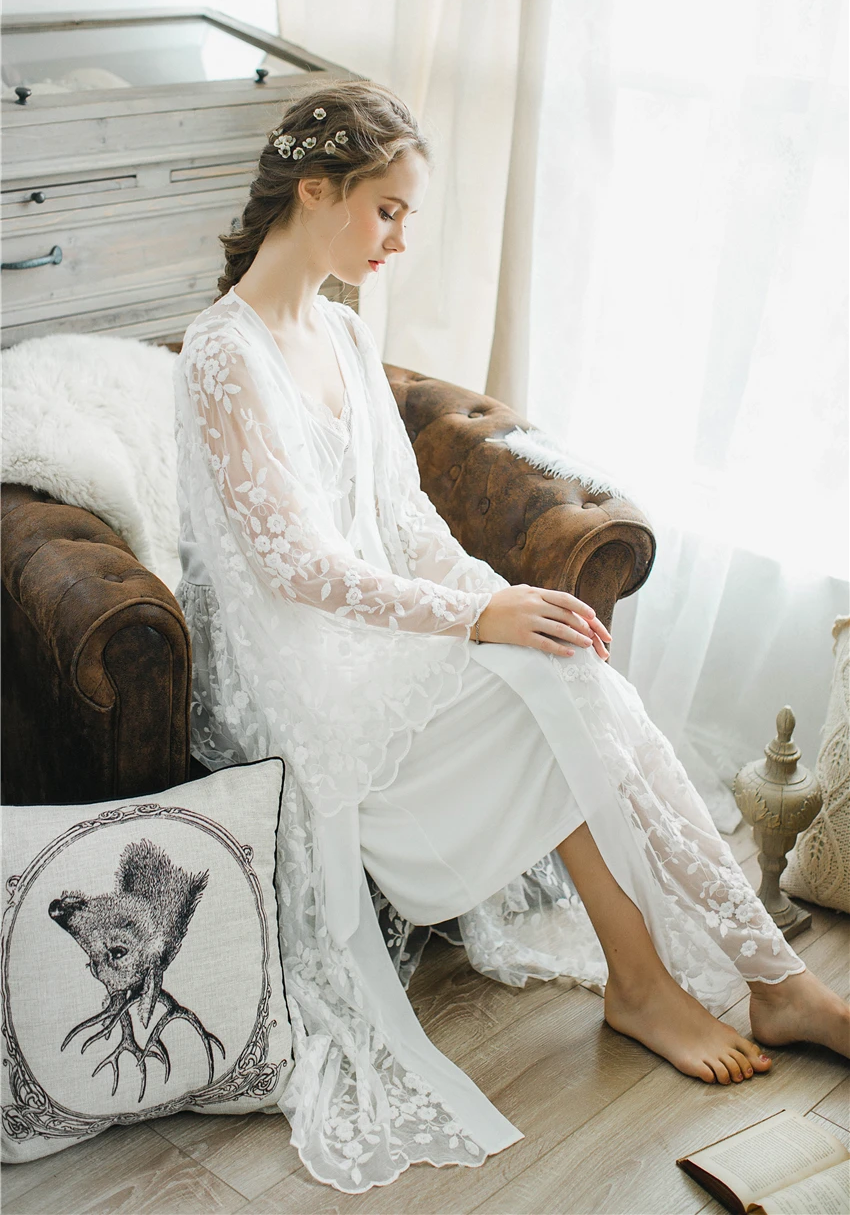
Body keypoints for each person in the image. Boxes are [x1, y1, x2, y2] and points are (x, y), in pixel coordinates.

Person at [173, 79, 849, 1194]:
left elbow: (407, 526)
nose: (400, 239)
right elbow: (297, 568)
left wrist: (510, 603)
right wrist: (476, 616)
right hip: (305, 680)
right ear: (315, 189)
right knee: (556, 688)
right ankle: (738, 983)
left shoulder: (344, 331)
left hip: (377, 641)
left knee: (562, 667)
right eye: (388, 210)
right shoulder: (221, 353)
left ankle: (726, 980)